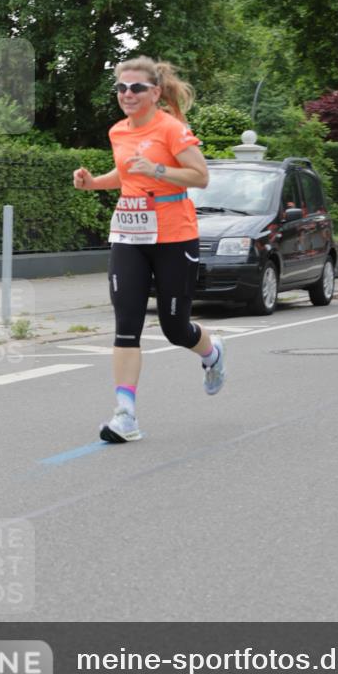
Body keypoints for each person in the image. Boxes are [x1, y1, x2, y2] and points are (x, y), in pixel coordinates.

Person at [73, 56, 226, 443]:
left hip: (174, 236)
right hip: (129, 235)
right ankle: (125, 415)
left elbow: (200, 176)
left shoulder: (171, 129)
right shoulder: (117, 132)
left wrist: (157, 170)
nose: (127, 94)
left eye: (137, 87)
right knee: (127, 325)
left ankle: (212, 354)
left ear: (155, 92)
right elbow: (126, 174)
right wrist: (93, 183)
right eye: (122, 88)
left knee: (176, 328)